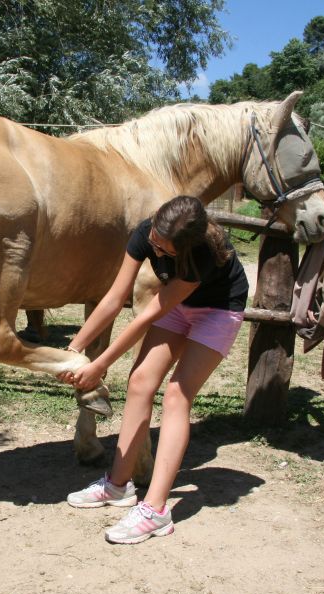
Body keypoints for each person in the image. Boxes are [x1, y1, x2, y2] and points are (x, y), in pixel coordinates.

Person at [59, 195, 249, 544]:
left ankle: (157, 510)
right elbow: (115, 299)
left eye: (167, 252)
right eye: (155, 245)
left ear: (187, 247)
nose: (158, 254)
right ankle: (117, 486)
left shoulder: (204, 252)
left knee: (177, 394)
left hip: (218, 309)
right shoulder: (146, 233)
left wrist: (100, 365)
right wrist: (74, 349)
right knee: (140, 381)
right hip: (178, 306)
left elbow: (149, 314)